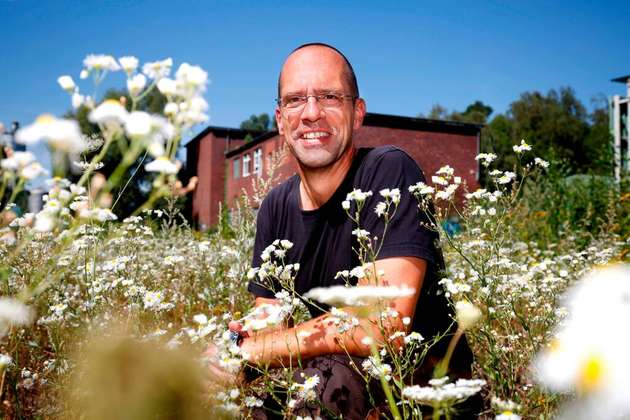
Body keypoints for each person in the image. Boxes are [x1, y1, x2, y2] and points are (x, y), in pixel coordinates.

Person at [207, 43, 477, 419]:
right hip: (332, 378)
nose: (312, 113)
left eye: (330, 97)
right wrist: (234, 345)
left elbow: (383, 326)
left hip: (419, 394)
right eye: (296, 100)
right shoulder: (274, 207)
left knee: (327, 382)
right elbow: (270, 318)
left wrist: (258, 351)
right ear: (281, 119)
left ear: (357, 113)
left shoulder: (388, 171)